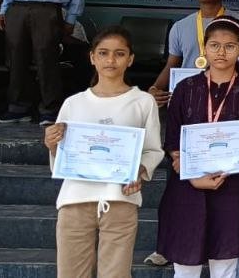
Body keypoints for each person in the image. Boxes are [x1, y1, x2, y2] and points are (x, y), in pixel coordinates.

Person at [46, 26, 163, 277]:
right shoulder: (73, 103)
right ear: (92, 57)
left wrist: (140, 171)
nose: (111, 60)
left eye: (119, 54)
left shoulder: (143, 101)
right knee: (70, 273)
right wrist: (53, 144)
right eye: (103, 53)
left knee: (116, 273)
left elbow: (153, 150)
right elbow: (60, 159)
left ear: (130, 59)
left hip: (120, 198)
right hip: (75, 198)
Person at [157, 17, 239, 278]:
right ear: (204, 48)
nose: (221, 52)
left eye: (229, 46)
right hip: (187, 188)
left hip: (233, 188)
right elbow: (173, 140)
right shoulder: (185, 89)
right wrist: (190, 174)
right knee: (185, 266)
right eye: (214, 45)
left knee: (225, 266)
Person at [149, 0, 239, 107]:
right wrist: (154, 88)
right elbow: (171, 65)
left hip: (230, 96)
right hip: (189, 98)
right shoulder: (179, 27)